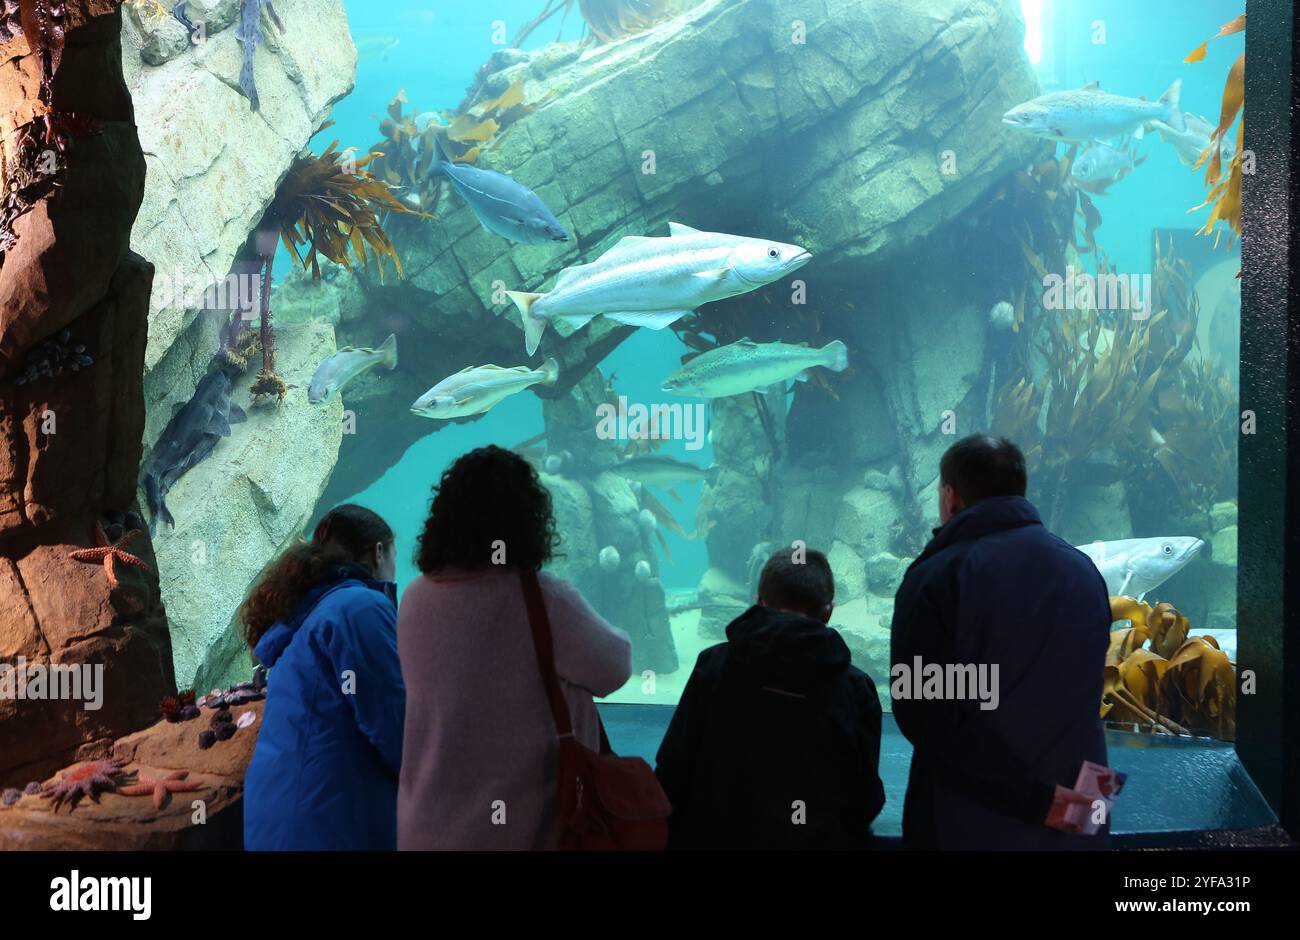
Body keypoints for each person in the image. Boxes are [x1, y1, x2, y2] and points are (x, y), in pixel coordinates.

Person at [396, 445, 632, 850]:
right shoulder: (542, 597)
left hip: (424, 828)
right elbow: (615, 667)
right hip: (520, 832)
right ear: (529, 519)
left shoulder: (415, 597)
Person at [890, 434, 1112, 850]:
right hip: (1080, 815)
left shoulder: (939, 577)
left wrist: (1035, 800)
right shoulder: (1082, 571)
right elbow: (1083, 698)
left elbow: (923, 713)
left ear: (950, 496)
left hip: (971, 823)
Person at [655, 547, 885, 850]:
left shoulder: (713, 666)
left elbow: (672, 769)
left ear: (760, 603)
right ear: (828, 610)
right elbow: (864, 799)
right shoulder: (856, 689)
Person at [240, 504, 404, 851]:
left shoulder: (307, 613)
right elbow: (395, 728)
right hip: (330, 825)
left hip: (277, 822)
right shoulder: (359, 608)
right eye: (394, 555)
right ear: (379, 552)